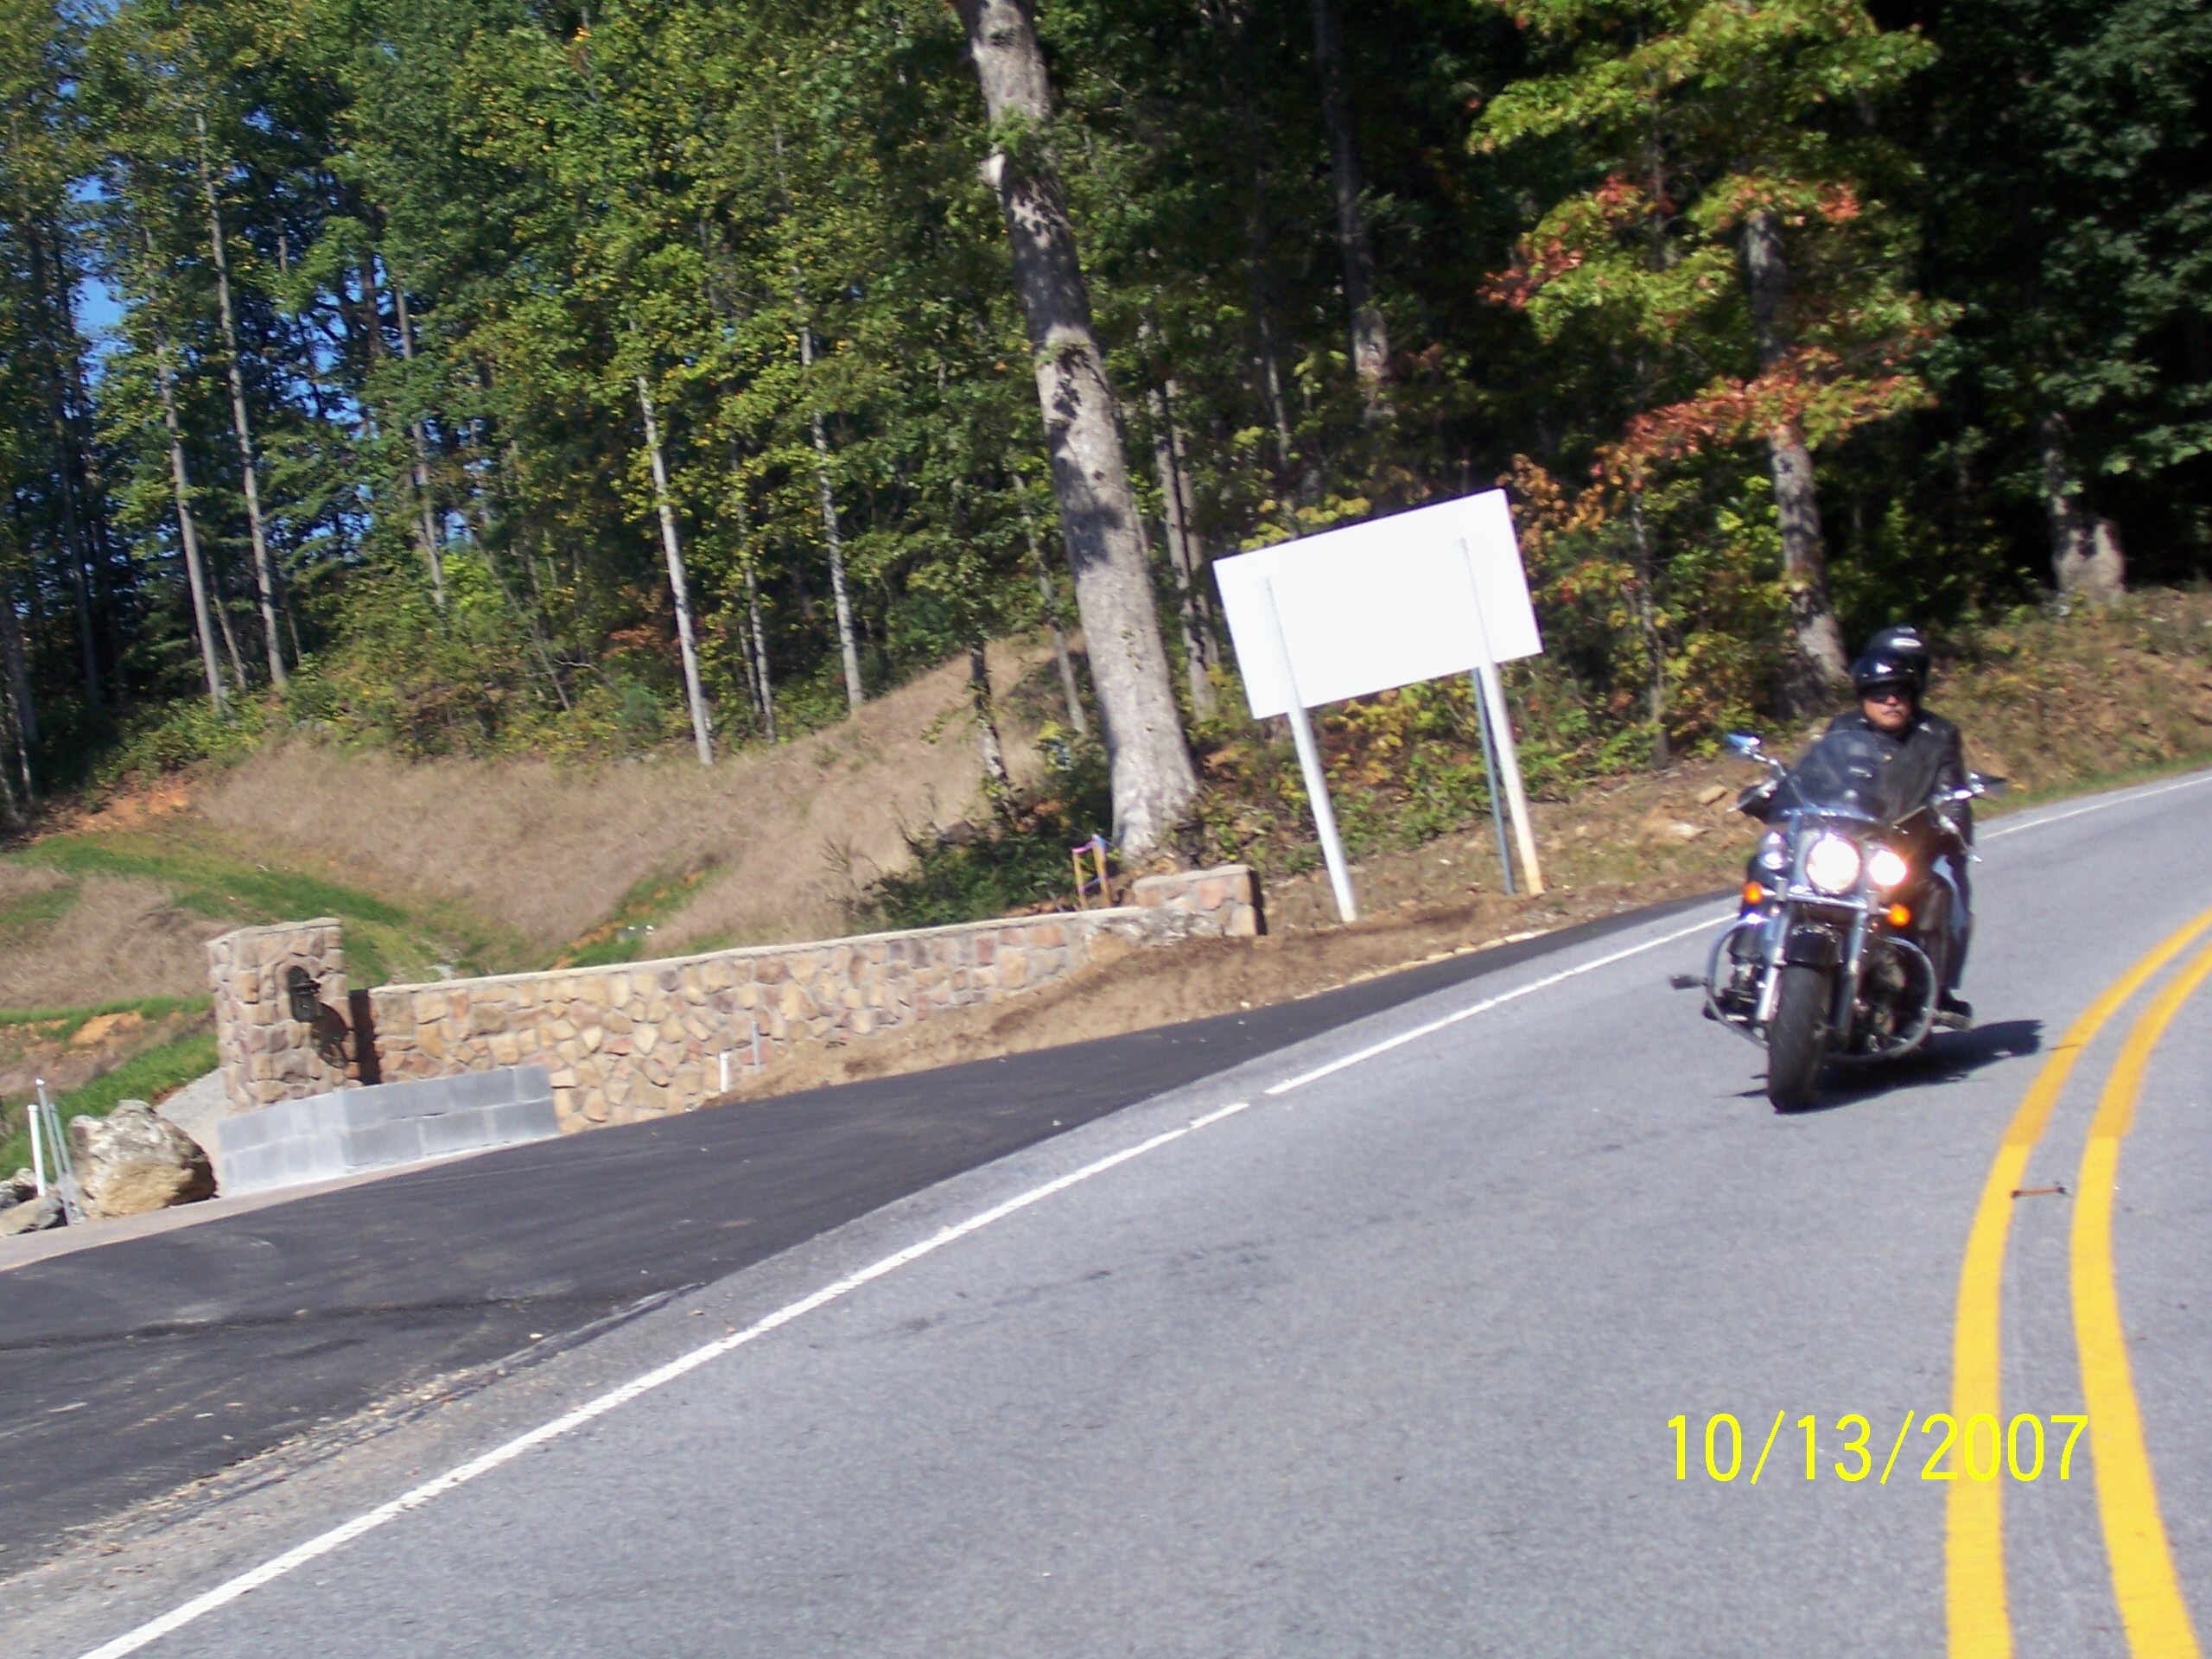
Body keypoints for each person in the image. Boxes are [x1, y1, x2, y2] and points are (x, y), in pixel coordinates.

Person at [1827, 629, 1975, 1024]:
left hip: (1910, 846)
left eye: (1900, 691)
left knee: (1942, 890)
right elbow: (1820, 780)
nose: (1891, 699)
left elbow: (1952, 793)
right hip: (1850, 846)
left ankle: (1931, 992)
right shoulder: (1842, 729)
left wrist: (1947, 823)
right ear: (1863, 693)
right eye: (1880, 692)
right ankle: (1752, 967)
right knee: (1771, 864)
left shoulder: (1938, 734)